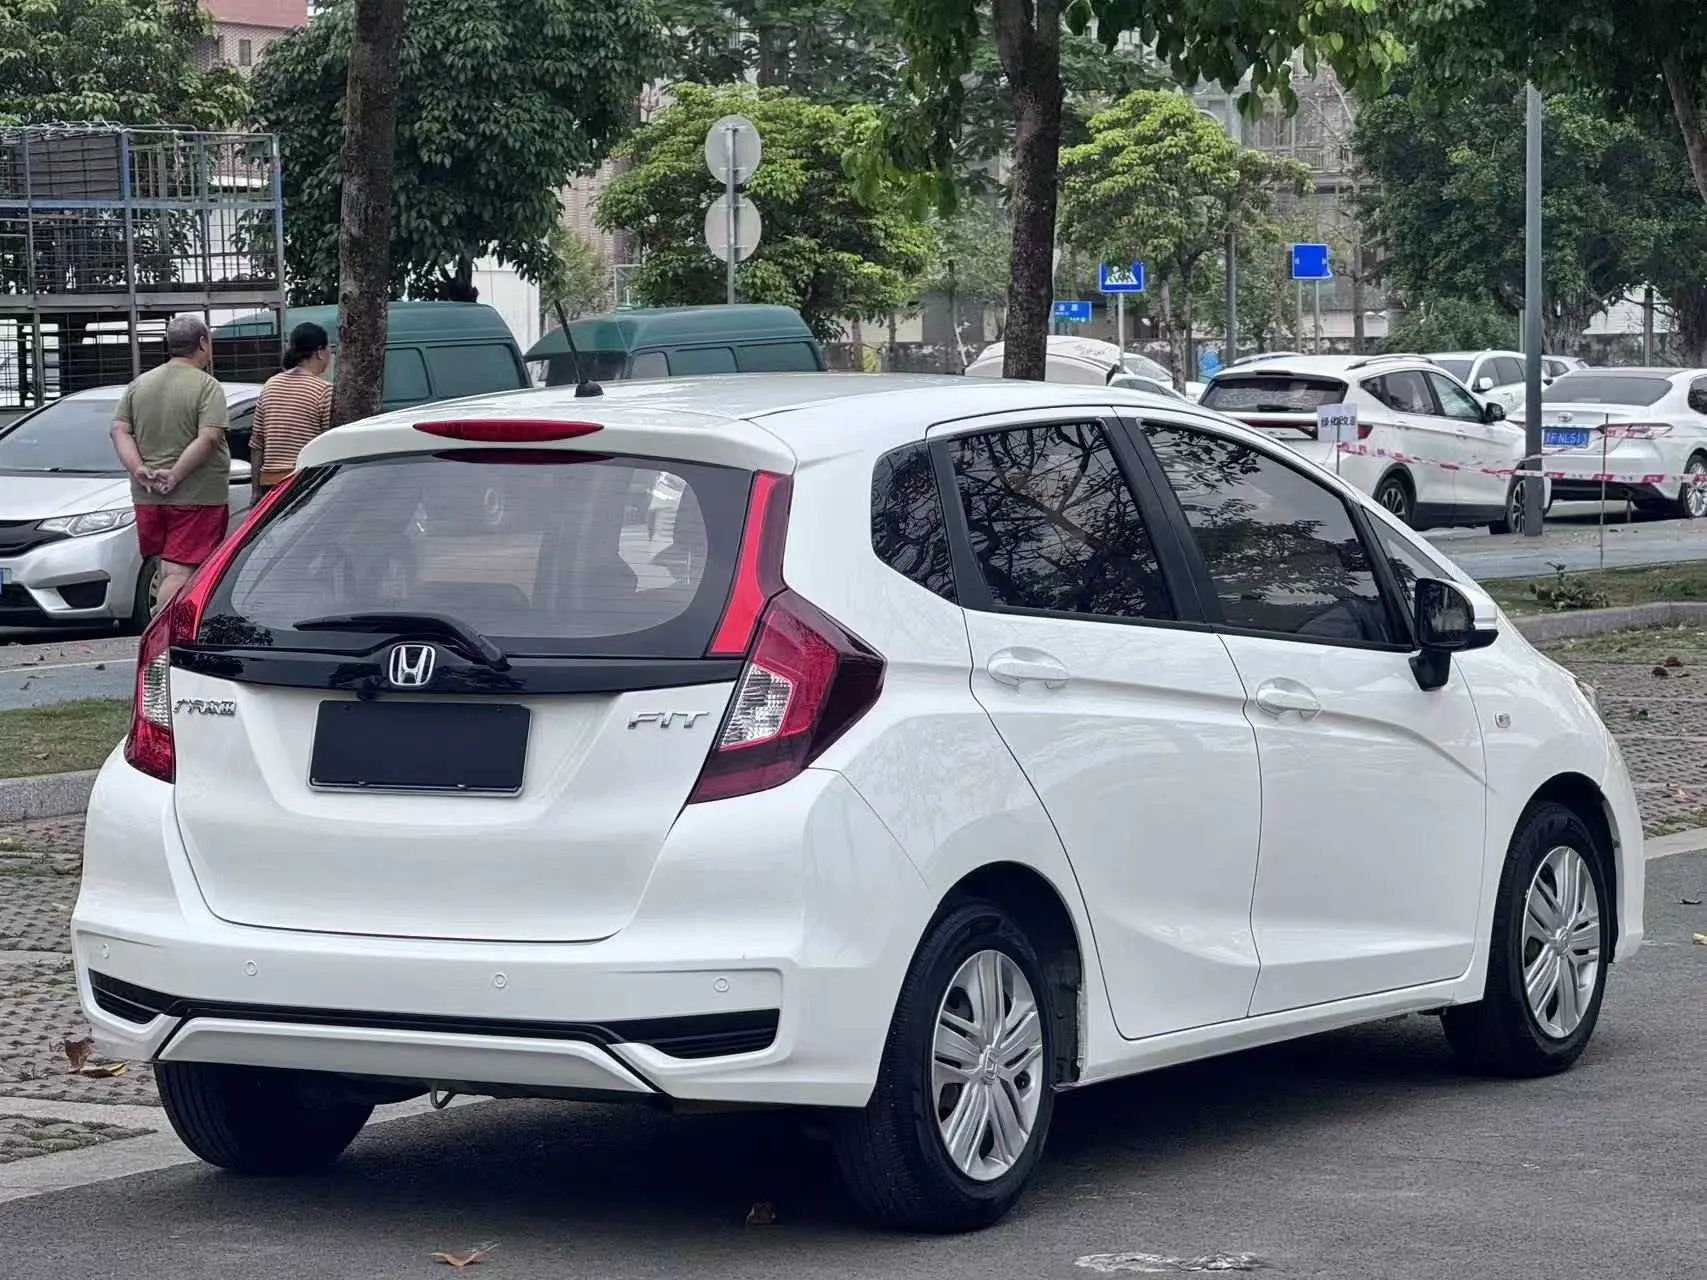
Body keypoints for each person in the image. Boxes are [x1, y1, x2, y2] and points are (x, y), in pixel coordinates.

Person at [110, 316, 231, 611]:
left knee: (165, 569)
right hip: (196, 497)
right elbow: (210, 437)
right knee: (179, 574)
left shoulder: (139, 385)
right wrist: (175, 475)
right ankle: (163, 632)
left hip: (148, 497)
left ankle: (169, 626)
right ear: (202, 343)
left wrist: (138, 469)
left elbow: (119, 430)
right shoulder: (207, 386)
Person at [250, 322, 334, 496]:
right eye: (329, 349)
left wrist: (256, 491)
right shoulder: (324, 390)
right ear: (320, 352)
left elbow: (257, 443)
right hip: (304, 480)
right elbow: (328, 443)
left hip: (270, 484)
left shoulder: (270, 385)